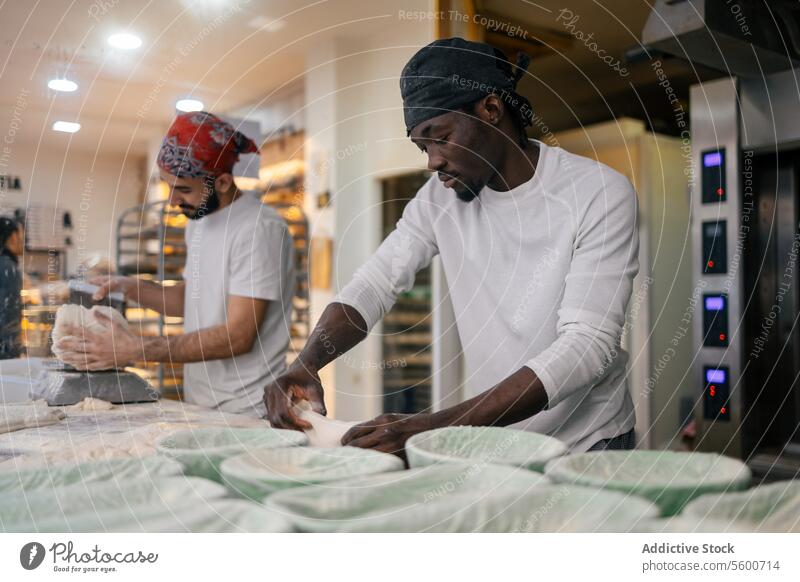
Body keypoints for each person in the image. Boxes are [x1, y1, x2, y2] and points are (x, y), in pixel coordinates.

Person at [264, 37, 639, 453]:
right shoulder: (436, 200)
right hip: (498, 441)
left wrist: (435, 427)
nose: (432, 161)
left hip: (588, 442)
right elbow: (374, 284)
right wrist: (307, 361)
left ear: (491, 110)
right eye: (422, 147)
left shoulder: (597, 192)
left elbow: (587, 345)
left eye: (439, 137)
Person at [57, 112, 296, 417]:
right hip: (201, 401)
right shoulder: (198, 223)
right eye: (168, 186)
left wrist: (135, 348)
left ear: (222, 182)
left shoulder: (258, 230)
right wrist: (130, 286)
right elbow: (188, 299)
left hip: (249, 408)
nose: (171, 201)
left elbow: (239, 336)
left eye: (183, 189)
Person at [0, 217, 24, 359]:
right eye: (22, 235)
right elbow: (8, 314)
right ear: (14, 237)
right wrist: (13, 350)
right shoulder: (8, 267)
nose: (23, 241)